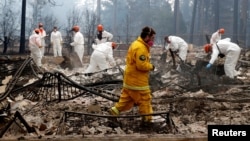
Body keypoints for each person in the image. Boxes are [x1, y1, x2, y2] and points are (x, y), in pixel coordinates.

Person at [109, 26, 156, 126]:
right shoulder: (141, 48)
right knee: (145, 99)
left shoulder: (136, 44)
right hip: (138, 81)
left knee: (126, 99)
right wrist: (151, 66)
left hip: (129, 79)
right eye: (152, 38)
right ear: (147, 37)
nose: (153, 41)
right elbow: (141, 65)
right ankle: (147, 120)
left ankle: (114, 111)